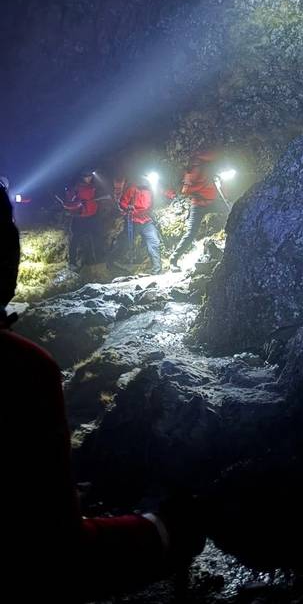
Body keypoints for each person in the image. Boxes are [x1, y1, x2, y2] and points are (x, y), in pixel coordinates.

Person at [0, 184, 205, 601]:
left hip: (136, 222)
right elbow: (54, 553)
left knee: (141, 242)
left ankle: (156, 266)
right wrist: (162, 531)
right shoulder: (22, 371)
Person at [169, 156, 221, 271]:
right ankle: (173, 260)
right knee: (191, 233)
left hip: (213, 202)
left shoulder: (209, 168)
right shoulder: (192, 172)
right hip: (198, 205)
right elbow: (185, 191)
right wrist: (202, 186)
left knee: (231, 213)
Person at [109, 175, 162, 275]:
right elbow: (122, 203)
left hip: (146, 220)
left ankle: (157, 269)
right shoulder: (132, 189)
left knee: (154, 241)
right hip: (133, 220)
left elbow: (150, 206)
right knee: (124, 242)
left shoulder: (150, 191)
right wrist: (128, 207)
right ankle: (112, 261)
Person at [63, 168, 100, 268]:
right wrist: (79, 203)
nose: (88, 178)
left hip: (91, 216)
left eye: (90, 176)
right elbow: (67, 204)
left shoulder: (93, 187)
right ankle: (72, 262)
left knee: (93, 238)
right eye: (86, 176)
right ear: (82, 177)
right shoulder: (75, 188)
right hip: (79, 218)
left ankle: (92, 260)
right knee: (75, 240)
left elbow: (95, 199)